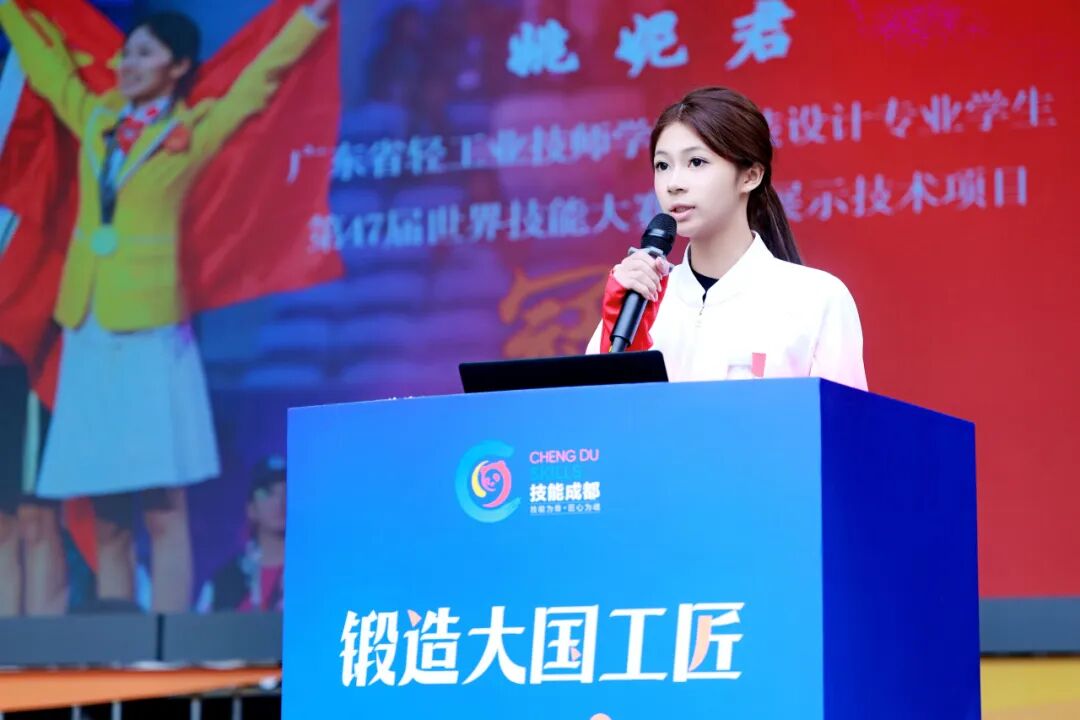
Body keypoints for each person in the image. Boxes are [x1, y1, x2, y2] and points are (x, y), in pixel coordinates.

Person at [0, 0, 337, 612]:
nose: (128, 64)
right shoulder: (97, 119)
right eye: (126, 53)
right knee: (105, 507)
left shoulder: (191, 132)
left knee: (162, 505)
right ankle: (113, 641)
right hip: (88, 327)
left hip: (151, 332)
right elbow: (49, 70)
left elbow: (258, 81)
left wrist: (309, 19)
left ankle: (169, 640)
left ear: (178, 66)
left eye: (144, 53)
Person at [587, 87, 867, 390]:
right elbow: (592, 413)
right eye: (662, 165)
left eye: (696, 162)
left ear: (750, 176)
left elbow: (843, 418)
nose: (673, 184)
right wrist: (617, 324)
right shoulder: (639, 301)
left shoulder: (816, 298)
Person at [197, 455, 287, 613]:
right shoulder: (226, 580)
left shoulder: (314, 574)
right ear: (251, 508)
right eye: (267, 493)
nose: (280, 502)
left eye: (287, 492)